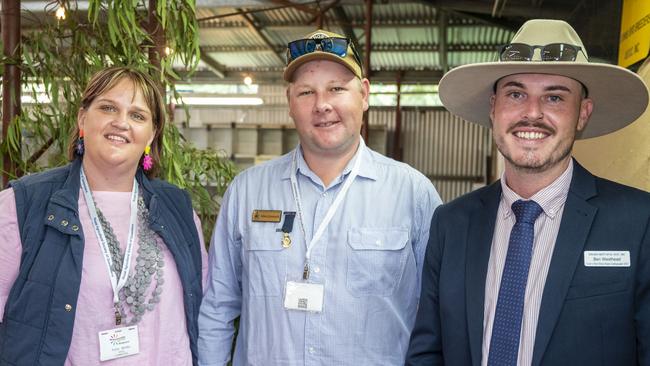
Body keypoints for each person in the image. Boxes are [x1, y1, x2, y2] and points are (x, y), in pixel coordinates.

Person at [406, 19, 650, 365]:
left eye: (554, 97)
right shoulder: (451, 224)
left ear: (582, 113)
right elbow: (428, 353)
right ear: (494, 108)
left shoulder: (638, 223)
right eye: (516, 94)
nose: (532, 113)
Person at [198, 29, 442, 365]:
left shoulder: (413, 194)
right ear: (289, 103)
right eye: (306, 92)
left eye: (337, 88)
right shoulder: (247, 192)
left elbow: (438, 318)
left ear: (365, 94)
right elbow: (218, 307)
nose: (322, 105)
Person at [0, 66, 208, 365]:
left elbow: (201, 303)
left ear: (152, 133)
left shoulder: (178, 208)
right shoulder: (23, 204)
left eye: (138, 115)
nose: (121, 122)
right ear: (82, 119)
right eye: (108, 107)